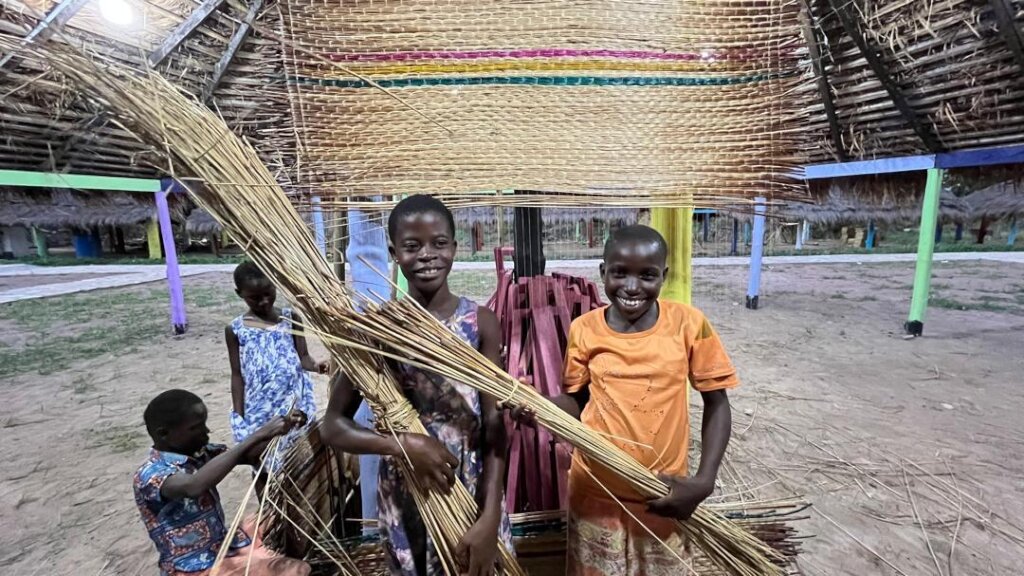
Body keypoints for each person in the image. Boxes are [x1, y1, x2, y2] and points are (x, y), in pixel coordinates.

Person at [514, 224, 739, 576]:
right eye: (620, 273)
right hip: (595, 494)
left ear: (663, 275)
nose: (632, 287)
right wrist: (538, 408)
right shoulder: (584, 329)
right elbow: (576, 402)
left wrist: (703, 480)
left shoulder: (689, 325)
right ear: (603, 272)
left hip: (662, 495)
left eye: (647, 276)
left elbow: (717, 402)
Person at [322, 194, 514, 576]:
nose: (427, 255)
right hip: (409, 487)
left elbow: (495, 427)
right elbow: (332, 426)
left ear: (455, 248)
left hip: (473, 486)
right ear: (394, 252)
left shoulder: (480, 323)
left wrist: (491, 514)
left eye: (439, 243)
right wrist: (405, 444)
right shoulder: (379, 331)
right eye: (412, 246)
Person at [133, 389, 311, 576]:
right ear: (164, 434)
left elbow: (248, 455)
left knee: (280, 516)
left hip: (221, 543)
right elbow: (194, 485)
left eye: (204, 424)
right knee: (297, 571)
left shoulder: (201, 453)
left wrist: (283, 429)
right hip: (194, 567)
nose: (206, 432)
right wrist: (258, 434)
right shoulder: (151, 474)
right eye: (195, 427)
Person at [225, 261, 326, 472]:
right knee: (263, 467)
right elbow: (237, 376)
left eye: (269, 292)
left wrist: (318, 366)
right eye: (254, 297)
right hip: (259, 411)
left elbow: (304, 358)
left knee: (300, 463)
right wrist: (239, 415)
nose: (264, 301)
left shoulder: (291, 319)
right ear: (239, 294)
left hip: (293, 405)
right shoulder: (235, 329)